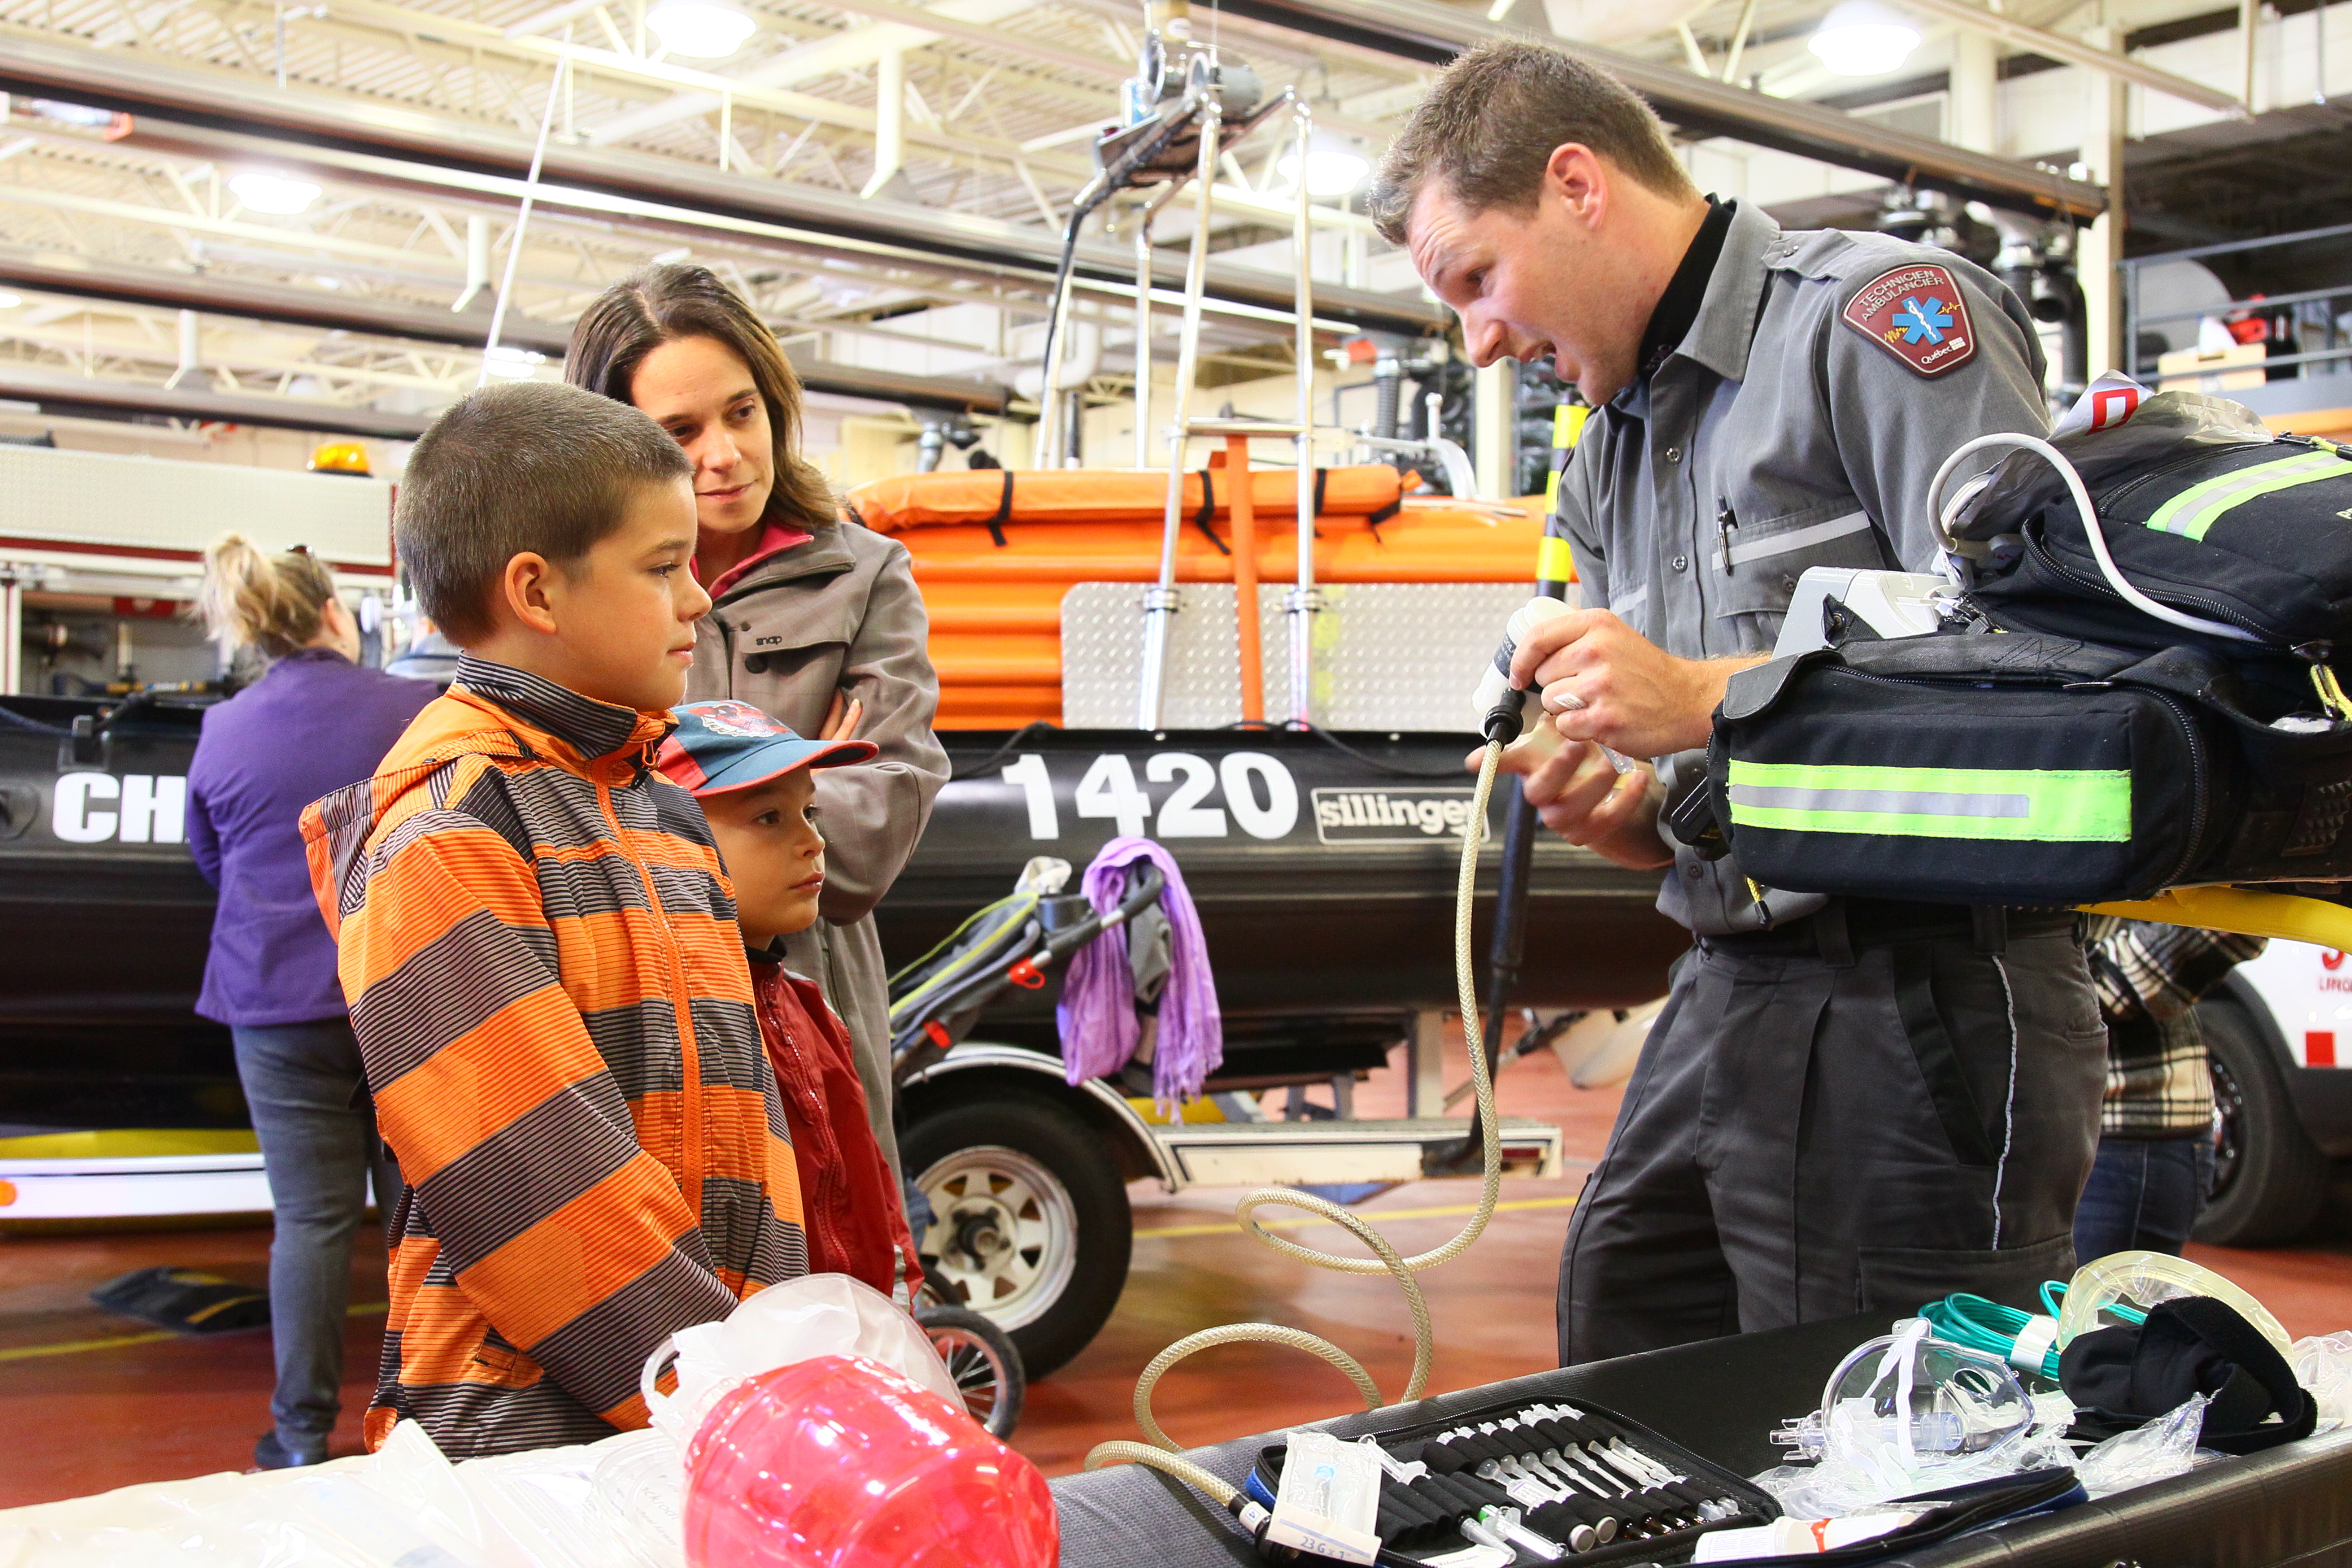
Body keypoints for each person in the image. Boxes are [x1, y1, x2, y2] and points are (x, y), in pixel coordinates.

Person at [1370, 40, 2110, 1363]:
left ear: (1579, 185)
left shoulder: (1879, 323)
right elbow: (1690, 783)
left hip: (1928, 986)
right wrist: (1634, 810)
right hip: (1726, 978)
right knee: (1624, 1326)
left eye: (1478, 278)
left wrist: (1709, 695)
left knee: (1880, 1438)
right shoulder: (1608, 455)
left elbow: (2049, 664)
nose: (1479, 342)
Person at [300, 381, 808, 1459]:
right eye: (664, 567)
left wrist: (777, 1347)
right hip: (533, 1437)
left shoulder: (661, 814)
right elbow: (530, 1186)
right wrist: (737, 1416)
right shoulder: (448, 838)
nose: (699, 602)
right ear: (537, 589)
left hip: (695, 1401)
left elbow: (752, 1132)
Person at [567, 264, 947, 1182]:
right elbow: (560, 806)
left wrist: (663, 818)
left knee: (826, 1272)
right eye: (681, 432)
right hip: (637, 1007)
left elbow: (870, 833)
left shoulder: (865, 575)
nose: (726, 455)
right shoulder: (589, 580)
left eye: (743, 413)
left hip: (815, 1000)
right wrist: (791, 788)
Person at [187, 536, 434, 1469]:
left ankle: (298, 1437)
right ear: (341, 613)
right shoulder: (414, 709)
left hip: (271, 1005)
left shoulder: (225, 730)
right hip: (393, 997)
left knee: (312, 1221)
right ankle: (419, 1417)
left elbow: (210, 863)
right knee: (415, 1214)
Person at [657, 700, 924, 1301]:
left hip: (839, 1349)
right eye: (769, 819)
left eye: (810, 810)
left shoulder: (810, 1009)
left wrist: (899, 1313)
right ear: (667, 839)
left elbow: (873, 1194)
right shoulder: (669, 1030)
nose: (813, 841)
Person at [2075, 918, 2263, 1259]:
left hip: (2128, 1124)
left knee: (2095, 1309)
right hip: (2049, 1124)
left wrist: (2071, 977)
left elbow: (2235, 921)